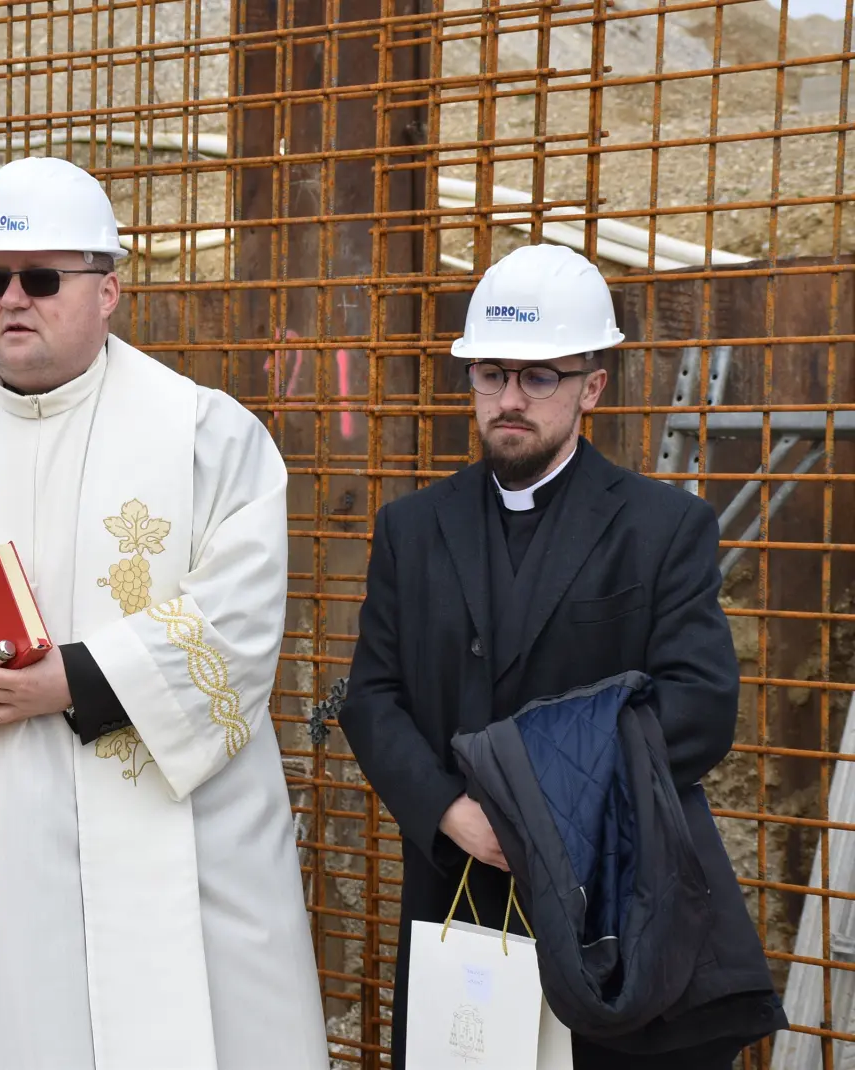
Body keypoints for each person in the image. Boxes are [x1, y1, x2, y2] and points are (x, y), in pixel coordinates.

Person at [0, 156, 330, 1070]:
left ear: (109, 289)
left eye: (41, 278)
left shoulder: (204, 433)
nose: (12, 299)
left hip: (171, 846)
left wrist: (69, 680)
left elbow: (237, 626)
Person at [337, 243, 787, 1069]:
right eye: (491, 374)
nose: (510, 399)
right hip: (459, 893)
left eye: (539, 377)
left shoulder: (662, 529)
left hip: (612, 906)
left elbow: (699, 706)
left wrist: (539, 810)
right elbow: (372, 696)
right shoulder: (411, 528)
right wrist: (450, 811)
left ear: (592, 386)